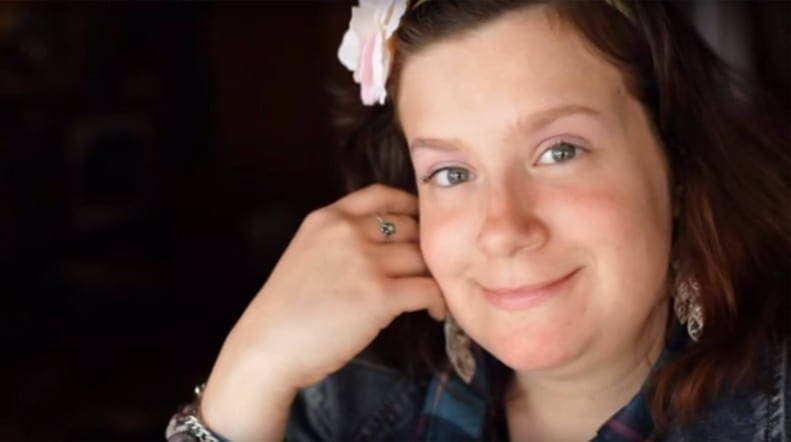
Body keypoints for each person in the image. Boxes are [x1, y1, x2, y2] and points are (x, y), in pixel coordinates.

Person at [167, 0, 790, 440]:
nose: (502, 228)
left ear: (676, 164)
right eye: (451, 173)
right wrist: (248, 376)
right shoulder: (342, 414)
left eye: (560, 151)